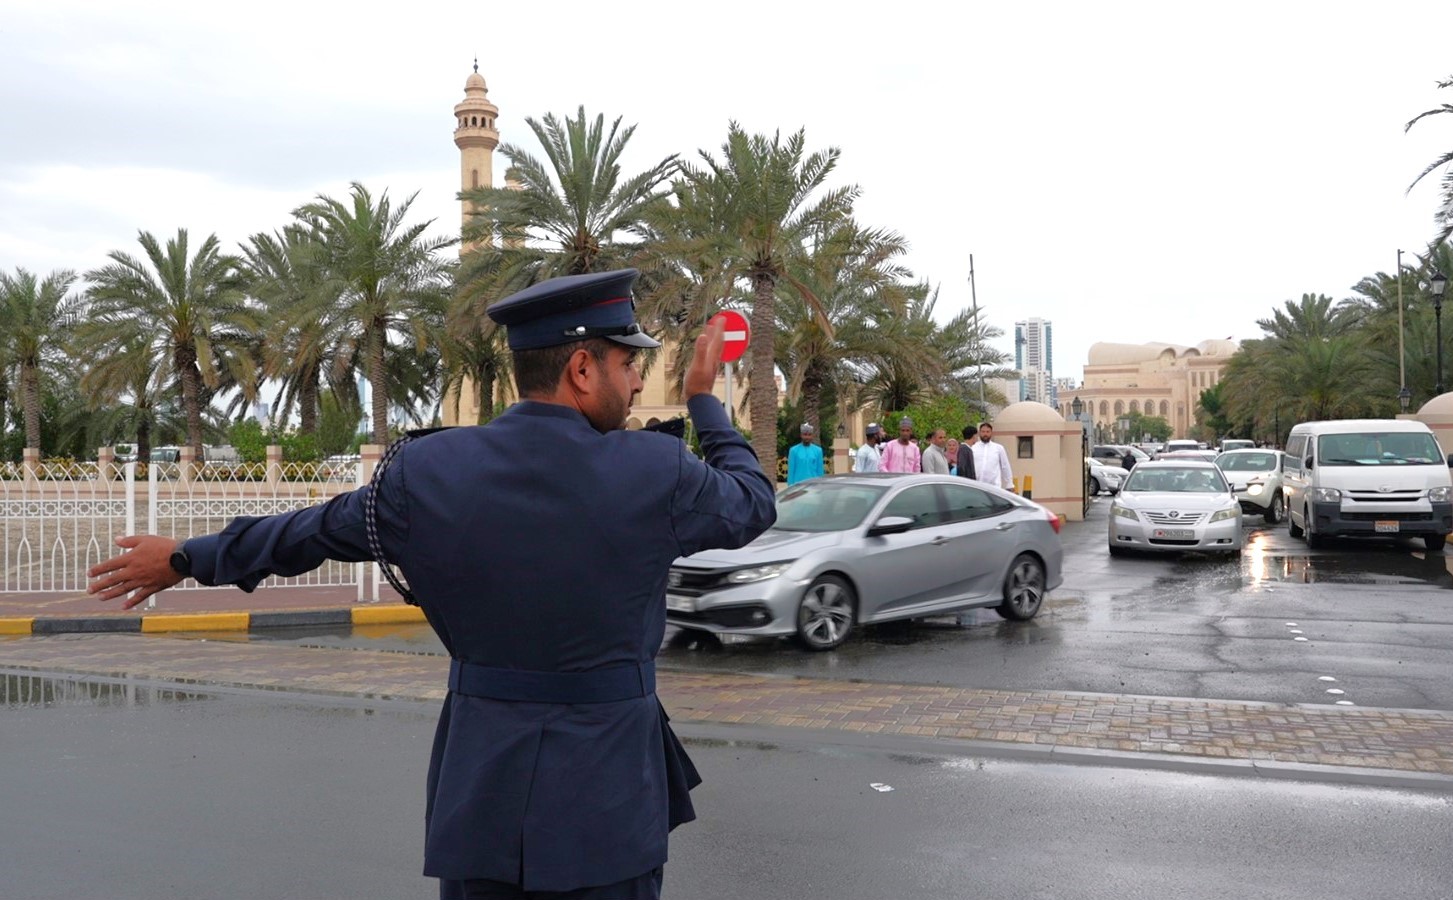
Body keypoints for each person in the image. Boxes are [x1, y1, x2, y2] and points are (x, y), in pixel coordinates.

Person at [85, 268, 778, 900]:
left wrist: (187, 559)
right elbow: (752, 501)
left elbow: (307, 533)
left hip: (482, 795)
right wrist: (703, 402)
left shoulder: (426, 470)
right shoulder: (654, 471)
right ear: (580, 368)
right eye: (627, 365)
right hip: (608, 798)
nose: (635, 386)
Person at [970, 421, 1013, 490]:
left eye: (987, 432)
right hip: (976, 486)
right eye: (983, 432)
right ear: (979, 433)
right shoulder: (973, 448)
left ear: (991, 433)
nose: (985, 434)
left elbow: (1005, 466)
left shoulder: (998, 448)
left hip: (994, 487)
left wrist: (1009, 483)